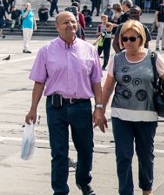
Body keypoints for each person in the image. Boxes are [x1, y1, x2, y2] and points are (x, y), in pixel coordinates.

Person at [25, 11, 106, 195]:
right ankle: (60, 190)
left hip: (82, 106)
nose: (70, 25)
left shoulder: (89, 49)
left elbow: (96, 82)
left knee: (86, 149)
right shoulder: (46, 50)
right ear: (57, 27)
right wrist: (32, 109)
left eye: (73, 21)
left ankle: (83, 180)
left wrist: (99, 108)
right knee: (59, 152)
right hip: (56, 107)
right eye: (65, 22)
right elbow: (39, 82)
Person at [101, 20, 164, 195]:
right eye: (125, 39)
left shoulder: (153, 57)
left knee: (146, 156)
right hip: (120, 115)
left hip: (147, 117)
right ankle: (125, 192)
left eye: (132, 38)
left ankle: (147, 189)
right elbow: (107, 87)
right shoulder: (116, 59)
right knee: (123, 156)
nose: (128, 42)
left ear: (141, 38)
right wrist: (100, 109)